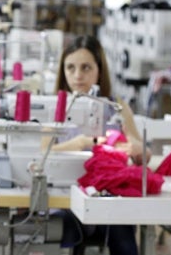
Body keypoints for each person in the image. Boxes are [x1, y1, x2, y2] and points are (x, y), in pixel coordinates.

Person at [52, 34, 149, 255]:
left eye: (86, 67)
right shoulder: (53, 107)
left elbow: (143, 154)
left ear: (99, 70)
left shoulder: (117, 107)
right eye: (70, 68)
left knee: (121, 233)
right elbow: (40, 152)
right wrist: (80, 143)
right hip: (62, 197)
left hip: (107, 198)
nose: (77, 76)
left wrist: (137, 149)